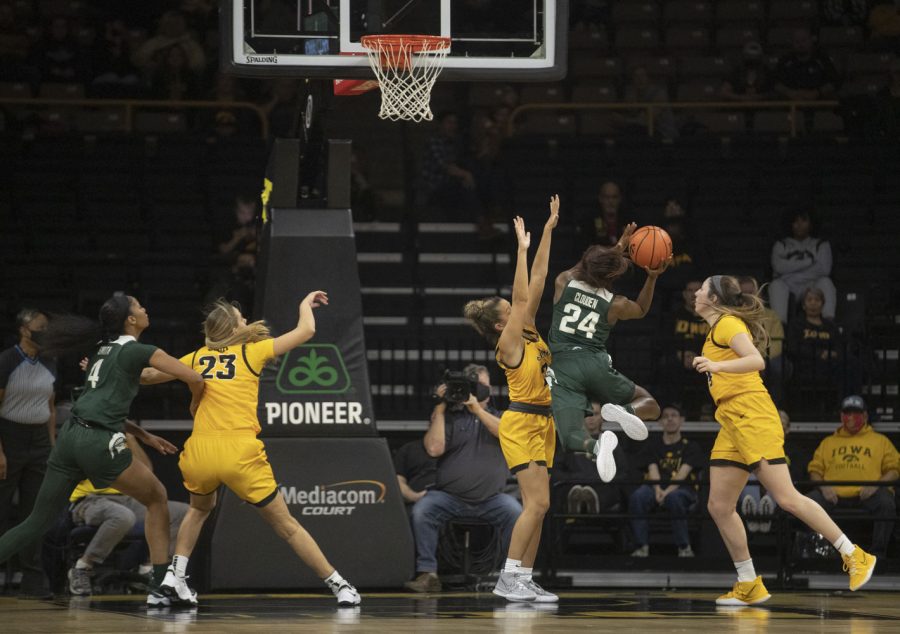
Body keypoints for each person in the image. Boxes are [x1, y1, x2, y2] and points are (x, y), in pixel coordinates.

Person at [144, 295, 361, 607]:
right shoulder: (251, 352)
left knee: (199, 509)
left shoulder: (197, 357)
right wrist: (303, 305)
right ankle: (339, 585)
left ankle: (174, 576)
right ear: (232, 327)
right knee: (287, 527)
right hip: (239, 452)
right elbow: (306, 331)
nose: (246, 321)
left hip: (200, 452)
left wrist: (106, 366)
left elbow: (149, 376)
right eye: (241, 318)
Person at [0, 294, 205, 606]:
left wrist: (144, 435)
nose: (145, 308)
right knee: (158, 497)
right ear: (131, 320)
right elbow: (193, 376)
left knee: (36, 522)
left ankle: (159, 583)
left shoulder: (101, 350)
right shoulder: (141, 350)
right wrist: (194, 401)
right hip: (97, 442)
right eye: (139, 306)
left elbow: (101, 402)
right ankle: (161, 584)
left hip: (70, 437)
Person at [691, 275, 875, 606]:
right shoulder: (717, 327)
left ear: (714, 299)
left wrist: (715, 365)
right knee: (719, 506)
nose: (696, 293)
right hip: (732, 421)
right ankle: (749, 583)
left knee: (787, 498)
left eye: (702, 289)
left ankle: (855, 554)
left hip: (754, 417)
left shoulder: (727, 324)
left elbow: (757, 361)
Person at [463, 196, 560, 603]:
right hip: (522, 423)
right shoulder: (507, 343)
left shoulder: (530, 329)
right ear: (502, 323)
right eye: (509, 308)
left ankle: (524, 577)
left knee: (541, 506)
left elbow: (537, 280)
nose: (515, 304)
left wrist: (548, 231)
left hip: (544, 421)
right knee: (536, 504)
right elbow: (520, 299)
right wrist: (519, 250)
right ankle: (508, 577)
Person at [548, 223, 666, 483]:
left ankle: (595, 447)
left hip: (562, 367)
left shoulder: (563, 281)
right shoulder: (616, 304)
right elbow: (642, 309)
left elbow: (587, 265)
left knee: (570, 437)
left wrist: (619, 246)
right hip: (594, 363)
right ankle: (625, 412)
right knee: (651, 404)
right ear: (612, 275)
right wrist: (652, 277)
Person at [405, 365, 521, 594]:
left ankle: (511, 577)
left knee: (516, 514)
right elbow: (434, 449)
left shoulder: (502, 416)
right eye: (473, 386)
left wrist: (477, 409)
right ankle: (428, 574)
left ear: (490, 390)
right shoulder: (449, 418)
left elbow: (507, 433)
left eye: (482, 387)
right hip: (449, 497)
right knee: (423, 510)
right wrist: (439, 407)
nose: (477, 391)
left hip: (492, 499)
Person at [66, 433, 189, 596]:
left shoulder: (121, 437)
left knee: (182, 512)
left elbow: (146, 473)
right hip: (91, 500)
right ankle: (82, 567)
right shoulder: (83, 435)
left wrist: (130, 437)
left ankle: (152, 569)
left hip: (127, 499)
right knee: (123, 516)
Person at [0, 308, 56, 597]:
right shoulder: (7, 360)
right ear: (24, 330)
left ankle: (32, 581)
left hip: (39, 442)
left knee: (35, 512)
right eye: (40, 326)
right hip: (9, 437)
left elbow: (50, 405)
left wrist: (51, 446)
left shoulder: (49, 360)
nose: (44, 331)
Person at [806, 395, 898, 560]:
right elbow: (815, 470)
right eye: (847, 413)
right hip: (833, 494)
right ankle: (817, 553)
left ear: (865, 416)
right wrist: (823, 487)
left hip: (868, 493)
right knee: (808, 503)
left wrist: (876, 485)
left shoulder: (880, 441)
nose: (851, 417)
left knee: (886, 503)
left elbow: (894, 470)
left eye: (856, 413)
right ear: (841, 416)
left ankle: (878, 555)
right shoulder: (828, 442)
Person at [628, 405, 704, 558]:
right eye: (666, 416)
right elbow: (653, 470)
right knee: (638, 496)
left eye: (674, 415)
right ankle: (641, 547)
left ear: (681, 420)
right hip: (655, 487)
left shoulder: (691, 447)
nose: (670, 419)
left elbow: (683, 474)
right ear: (660, 422)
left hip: (683, 489)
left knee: (674, 498)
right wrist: (657, 490)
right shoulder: (652, 445)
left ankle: (684, 548)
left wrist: (666, 493)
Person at [553, 403, 629, 515]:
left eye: (596, 414)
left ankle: (590, 502)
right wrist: (576, 478)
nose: (591, 418)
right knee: (573, 490)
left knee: (608, 488)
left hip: (603, 488)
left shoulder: (611, 442)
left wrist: (599, 479)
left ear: (602, 418)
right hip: (574, 485)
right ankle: (579, 502)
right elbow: (556, 471)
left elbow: (623, 472)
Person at [769, 208, 836, 324]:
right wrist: (809, 262)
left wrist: (790, 268)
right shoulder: (781, 244)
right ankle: (780, 328)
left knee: (826, 282)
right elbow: (778, 267)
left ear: (811, 224)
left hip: (812, 284)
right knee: (776, 285)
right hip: (788, 284)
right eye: (796, 222)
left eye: (803, 221)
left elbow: (824, 269)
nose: (799, 225)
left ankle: (828, 325)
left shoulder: (821, 244)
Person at [658, 279, 709, 418]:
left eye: (697, 291)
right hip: (679, 358)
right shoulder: (674, 316)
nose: (693, 295)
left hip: (705, 359)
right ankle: (673, 407)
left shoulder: (712, 317)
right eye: (690, 291)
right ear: (684, 294)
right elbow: (664, 341)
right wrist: (681, 354)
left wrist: (698, 356)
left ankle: (707, 408)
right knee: (666, 364)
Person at [739, 409, 795, 534]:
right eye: (775, 421)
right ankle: (752, 515)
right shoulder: (758, 446)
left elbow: (795, 475)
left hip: (781, 489)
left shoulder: (794, 450)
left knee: (778, 478)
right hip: (758, 483)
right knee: (750, 476)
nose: (778, 425)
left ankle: (766, 515)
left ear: (788, 428)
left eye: (782, 422)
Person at [737, 277, 785, 406]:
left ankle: (774, 406)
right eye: (744, 293)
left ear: (759, 294)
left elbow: (777, 343)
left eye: (751, 293)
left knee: (777, 367)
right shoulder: (733, 316)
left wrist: (760, 358)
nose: (748, 297)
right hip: (742, 357)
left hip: (768, 357)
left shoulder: (771, 315)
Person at [774, 27, 840, 101]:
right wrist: (790, 93)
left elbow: (834, 82)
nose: (800, 44)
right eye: (797, 41)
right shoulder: (785, 60)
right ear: (792, 43)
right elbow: (775, 82)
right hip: (791, 104)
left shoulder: (822, 59)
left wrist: (816, 93)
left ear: (811, 40)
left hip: (819, 103)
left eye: (804, 40)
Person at [394, 438, 436, 507]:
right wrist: (414, 497)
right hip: (417, 504)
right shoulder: (409, 449)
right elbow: (397, 481)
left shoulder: (458, 450)